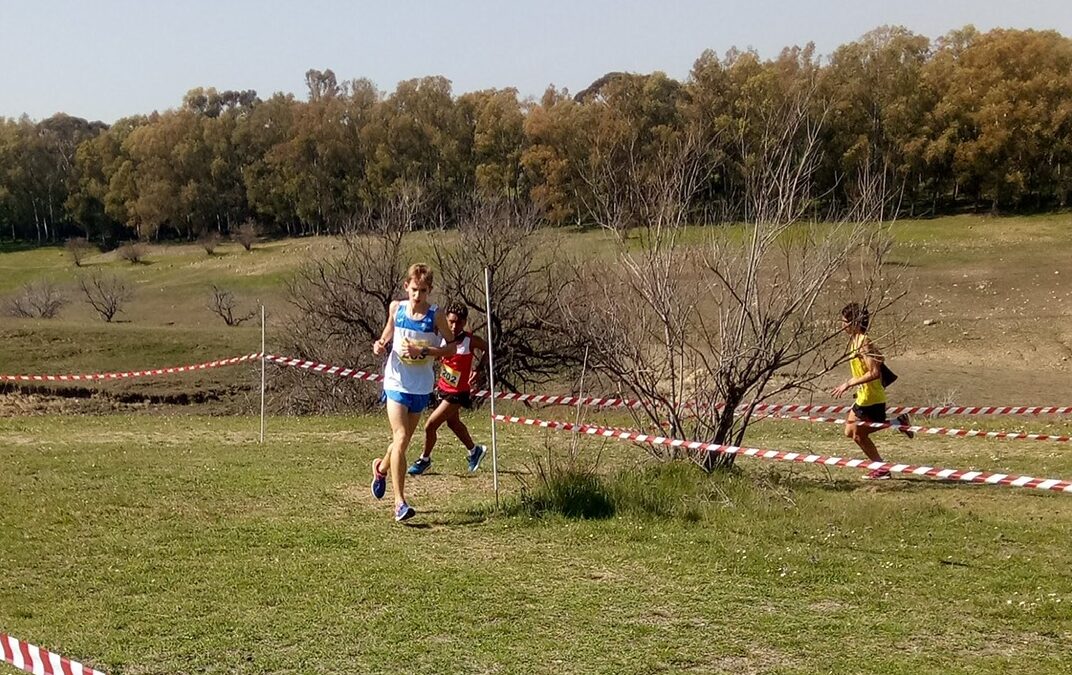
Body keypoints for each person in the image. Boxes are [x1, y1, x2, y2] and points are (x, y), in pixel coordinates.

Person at [370, 264, 455, 521]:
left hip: (420, 385)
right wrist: (380, 345)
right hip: (396, 382)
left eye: (423, 291)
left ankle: (381, 468)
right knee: (402, 435)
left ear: (430, 291)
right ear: (406, 286)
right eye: (414, 290)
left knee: (402, 442)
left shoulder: (436, 316)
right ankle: (399, 503)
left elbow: (451, 348)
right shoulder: (397, 308)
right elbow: (388, 333)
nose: (418, 296)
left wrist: (426, 352)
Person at [831, 302, 912, 480]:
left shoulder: (863, 342)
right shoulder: (857, 341)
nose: (842, 325)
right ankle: (898, 422)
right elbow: (880, 358)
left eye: (844, 321)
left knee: (858, 435)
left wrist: (849, 383)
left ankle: (882, 469)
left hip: (871, 397)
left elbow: (874, 372)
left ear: (855, 322)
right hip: (864, 395)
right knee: (849, 432)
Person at [407, 302, 488, 476]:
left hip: (457, 393)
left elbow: (488, 348)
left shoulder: (469, 340)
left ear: (464, 322)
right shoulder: (442, 337)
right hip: (443, 388)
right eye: (450, 321)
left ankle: (425, 460)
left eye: (458, 322)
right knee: (453, 423)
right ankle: (475, 451)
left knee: (430, 426)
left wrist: (478, 369)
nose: (453, 326)